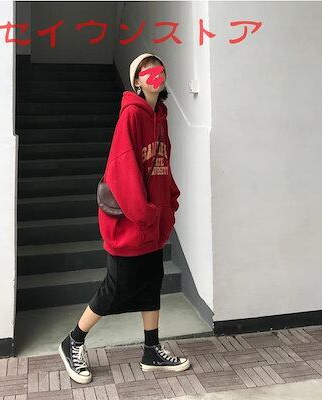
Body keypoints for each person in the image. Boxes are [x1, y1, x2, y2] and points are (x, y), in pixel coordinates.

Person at [58, 53, 189, 384]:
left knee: (152, 283)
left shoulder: (161, 117)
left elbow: (162, 165)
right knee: (117, 288)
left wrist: (170, 201)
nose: (153, 74)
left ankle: (151, 350)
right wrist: (145, 214)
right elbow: (122, 172)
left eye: (158, 69)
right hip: (130, 223)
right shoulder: (131, 115)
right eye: (145, 71)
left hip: (153, 222)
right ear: (137, 82)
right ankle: (72, 341)